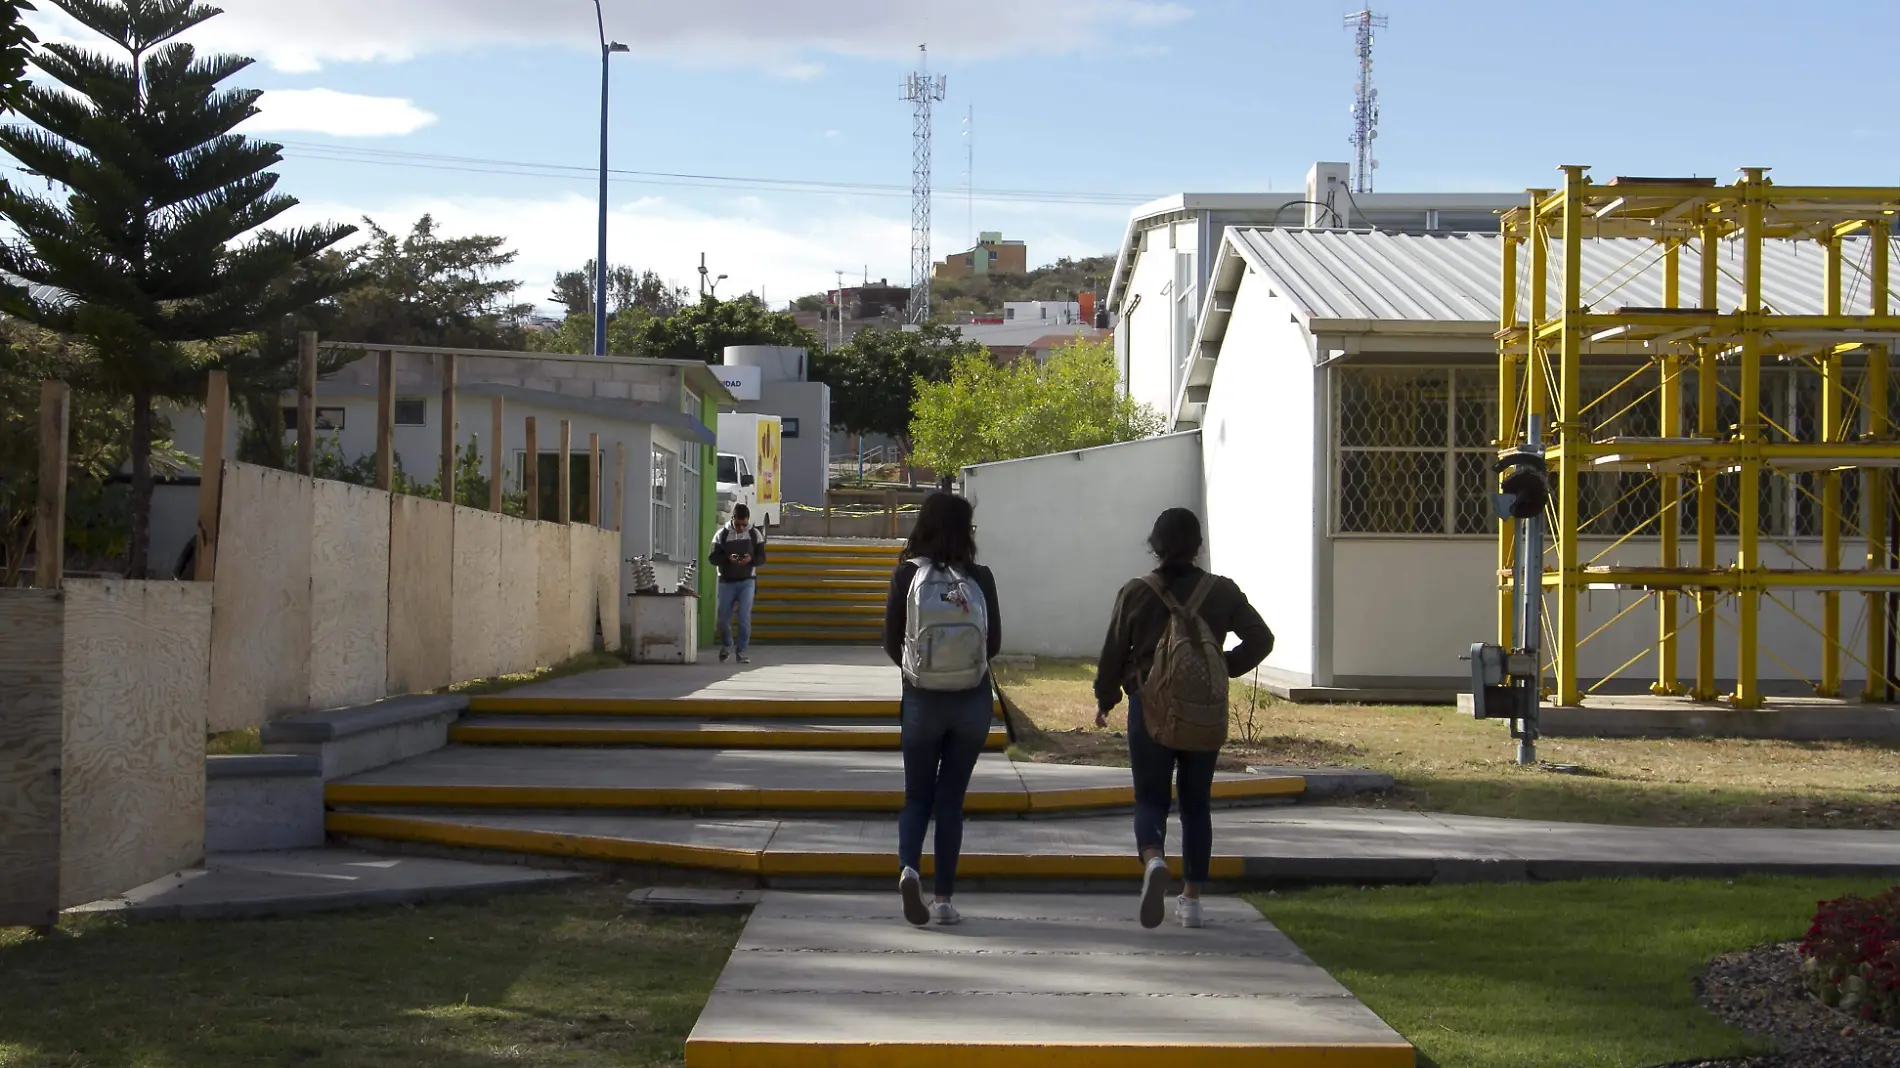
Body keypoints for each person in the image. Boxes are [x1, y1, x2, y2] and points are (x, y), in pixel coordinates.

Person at [1094, 508, 1272, 930]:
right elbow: (1262, 639)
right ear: (1198, 547)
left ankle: (1154, 858)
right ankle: (1191, 900)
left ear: (1154, 545)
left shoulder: (1136, 592)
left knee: (1151, 799)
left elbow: (1113, 651)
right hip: (1202, 712)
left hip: (1150, 707)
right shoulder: (1222, 592)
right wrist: (1220, 667)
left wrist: (1107, 697)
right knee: (1196, 805)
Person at [883, 492, 1002, 927]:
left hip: (921, 700)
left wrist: (918, 673)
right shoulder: (981, 578)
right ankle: (945, 900)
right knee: (950, 800)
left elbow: (889, 642)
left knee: (917, 795)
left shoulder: (906, 575)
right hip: (971, 701)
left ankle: (909, 869)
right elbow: (995, 644)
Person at [709, 504, 767, 664]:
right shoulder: (722, 534)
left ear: (748, 521)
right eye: (738, 524)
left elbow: (762, 558)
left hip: (747, 581)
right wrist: (728, 559)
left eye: (744, 524)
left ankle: (741, 651)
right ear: (732, 519)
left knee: (743, 617)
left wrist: (751, 560)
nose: (741, 528)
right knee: (723, 619)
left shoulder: (755, 534)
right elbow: (712, 558)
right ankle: (727, 644)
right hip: (726, 581)